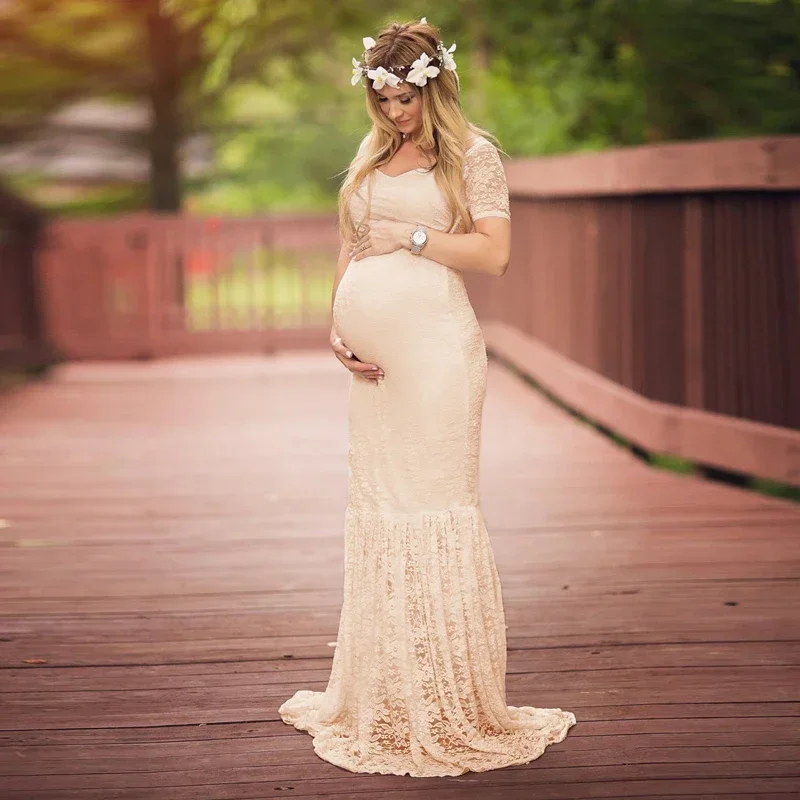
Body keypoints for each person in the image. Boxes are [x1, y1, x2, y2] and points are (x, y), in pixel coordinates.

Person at [278, 17, 577, 777]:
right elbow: (348, 241)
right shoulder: (371, 153)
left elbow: (494, 254)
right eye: (379, 99)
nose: (391, 114)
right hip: (374, 367)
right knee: (381, 509)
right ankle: (388, 693)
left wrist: (412, 239)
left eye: (402, 99)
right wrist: (335, 326)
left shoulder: (473, 156)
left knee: (434, 507)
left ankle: (449, 701)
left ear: (432, 87)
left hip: (439, 356)